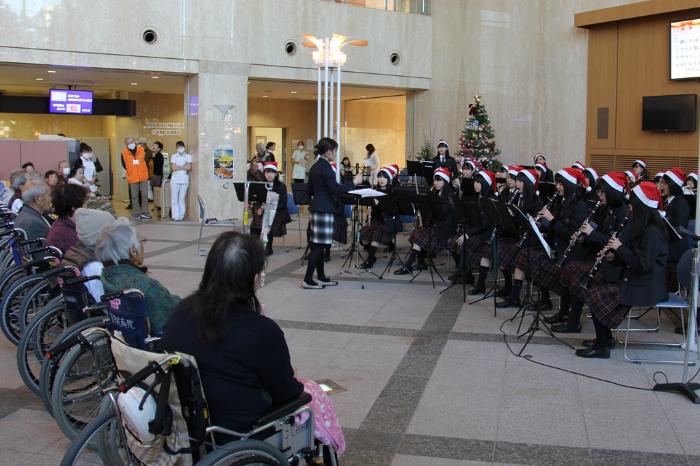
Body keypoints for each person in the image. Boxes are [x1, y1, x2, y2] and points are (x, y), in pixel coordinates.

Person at [159, 232, 302, 431]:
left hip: (185, 426)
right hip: (238, 433)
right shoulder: (262, 331)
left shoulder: (182, 310)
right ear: (253, 278)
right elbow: (287, 392)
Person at [575, 181, 668, 358]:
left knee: (595, 294)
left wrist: (618, 248)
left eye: (632, 204)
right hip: (637, 279)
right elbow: (632, 256)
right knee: (593, 286)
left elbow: (642, 265)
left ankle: (602, 347)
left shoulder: (653, 232)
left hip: (647, 286)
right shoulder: (643, 228)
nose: (630, 207)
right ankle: (605, 339)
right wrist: (613, 256)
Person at [497, 167, 589, 310]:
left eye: (560, 184)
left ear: (569, 185)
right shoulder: (560, 201)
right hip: (552, 244)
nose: (557, 187)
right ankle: (522, 297)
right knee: (526, 255)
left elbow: (569, 233)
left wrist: (550, 220)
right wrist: (540, 223)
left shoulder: (580, 207)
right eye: (556, 184)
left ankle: (547, 301)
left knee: (531, 257)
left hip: (566, 251)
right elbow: (551, 227)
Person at [551, 171, 630, 333]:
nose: (599, 196)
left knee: (577, 273)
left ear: (612, 192)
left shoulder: (623, 213)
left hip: (615, 265)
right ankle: (571, 319)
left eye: (602, 192)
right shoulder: (603, 210)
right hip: (601, 258)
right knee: (572, 268)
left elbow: (612, 241)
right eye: (598, 192)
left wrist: (591, 234)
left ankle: (575, 323)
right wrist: (582, 238)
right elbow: (596, 237)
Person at [96, 218, 179, 334]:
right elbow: (172, 314)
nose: (143, 245)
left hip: (128, 338)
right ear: (133, 251)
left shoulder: (107, 274)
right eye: (141, 241)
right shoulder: (146, 286)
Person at [303, 138, 358, 289]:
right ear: (328, 152)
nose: (335, 153)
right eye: (334, 151)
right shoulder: (325, 167)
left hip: (317, 208)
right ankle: (308, 279)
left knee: (319, 245)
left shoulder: (315, 167)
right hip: (324, 209)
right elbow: (336, 189)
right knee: (319, 246)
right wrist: (354, 182)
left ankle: (320, 277)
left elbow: (308, 190)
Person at [395, 167, 457, 275]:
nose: (436, 183)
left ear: (446, 181)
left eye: (439, 180)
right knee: (418, 234)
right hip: (435, 226)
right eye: (435, 180)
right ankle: (417, 263)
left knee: (419, 236)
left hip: (445, 229)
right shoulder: (433, 194)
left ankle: (411, 265)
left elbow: (444, 215)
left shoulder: (450, 196)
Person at [450, 170, 498, 293]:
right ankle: (466, 274)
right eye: (475, 182)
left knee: (465, 243)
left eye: (478, 182)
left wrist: (467, 234)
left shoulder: (491, 199)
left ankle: (474, 280)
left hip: (488, 233)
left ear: (486, 184)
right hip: (478, 230)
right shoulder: (477, 196)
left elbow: (485, 224)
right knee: (459, 241)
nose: (475, 185)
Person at [62, 208, 116, 303]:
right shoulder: (95, 266)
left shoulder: (77, 250)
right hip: (99, 312)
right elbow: (102, 299)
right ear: (100, 235)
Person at [359, 164, 401, 269]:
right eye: (380, 177)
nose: (381, 179)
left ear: (389, 179)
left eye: (384, 177)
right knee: (363, 235)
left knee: (376, 234)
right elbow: (375, 214)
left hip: (389, 221)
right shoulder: (375, 192)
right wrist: (371, 209)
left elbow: (394, 211)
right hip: (377, 220)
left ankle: (370, 260)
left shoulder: (393, 192)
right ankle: (372, 256)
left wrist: (380, 204)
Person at [255, 162, 292, 256]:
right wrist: (258, 209)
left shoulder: (281, 186)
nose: (269, 175)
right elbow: (257, 201)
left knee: (268, 219)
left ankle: (267, 247)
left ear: (276, 174)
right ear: (264, 173)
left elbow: (283, 204)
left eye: (272, 173)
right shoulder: (261, 185)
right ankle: (257, 246)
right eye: (267, 172)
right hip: (265, 211)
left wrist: (270, 207)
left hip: (278, 212)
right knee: (256, 219)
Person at [46, 183, 87, 254]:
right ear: (74, 207)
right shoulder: (63, 233)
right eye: (85, 203)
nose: (86, 207)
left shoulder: (64, 225)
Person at [121, 136, 151, 220]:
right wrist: (131, 170)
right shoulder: (124, 153)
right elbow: (124, 165)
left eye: (132, 142)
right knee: (134, 197)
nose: (130, 144)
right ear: (126, 144)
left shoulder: (141, 150)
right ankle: (136, 213)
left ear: (134, 142)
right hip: (133, 177)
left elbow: (147, 160)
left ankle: (145, 212)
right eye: (128, 143)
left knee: (145, 195)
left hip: (143, 176)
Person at [170, 141, 192, 221]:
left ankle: (181, 216)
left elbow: (189, 167)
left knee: (182, 198)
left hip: (184, 180)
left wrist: (179, 166)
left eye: (181, 147)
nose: (180, 149)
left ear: (184, 147)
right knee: (174, 198)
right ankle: (176, 216)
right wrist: (184, 166)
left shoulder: (188, 156)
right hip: (175, 179)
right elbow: (173, 168)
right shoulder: (173, 156)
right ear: (176, 148)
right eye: (178, 147)